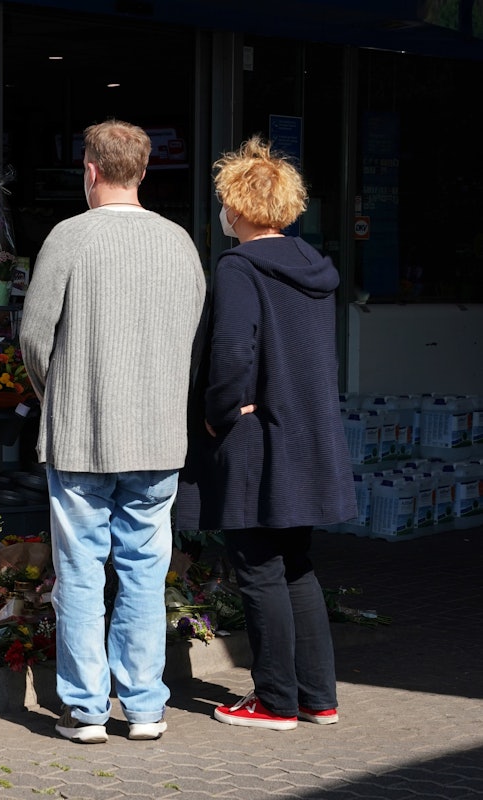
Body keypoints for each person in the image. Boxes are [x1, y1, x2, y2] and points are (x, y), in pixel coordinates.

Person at [20, 120, 206, 743]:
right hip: (157, 434)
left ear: (90, 171)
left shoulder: (70, 237)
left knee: (80, 572)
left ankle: (85, 709)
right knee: (145, 573)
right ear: (143, 172)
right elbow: (192, 338)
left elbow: (34, 339)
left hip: (82, 434)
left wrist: (58, 396)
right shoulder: (180, 241)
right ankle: (147, 706)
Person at [182, 136, 356, 730]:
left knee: (256, 565)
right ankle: (319, 697)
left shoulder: (239, 267)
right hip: (308, 434)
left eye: (226, 202)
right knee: (296, 563)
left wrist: (220, 412)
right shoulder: (313, 269)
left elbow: (232, 350)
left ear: (239, 207)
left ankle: (276, 700)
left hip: (257, 438)